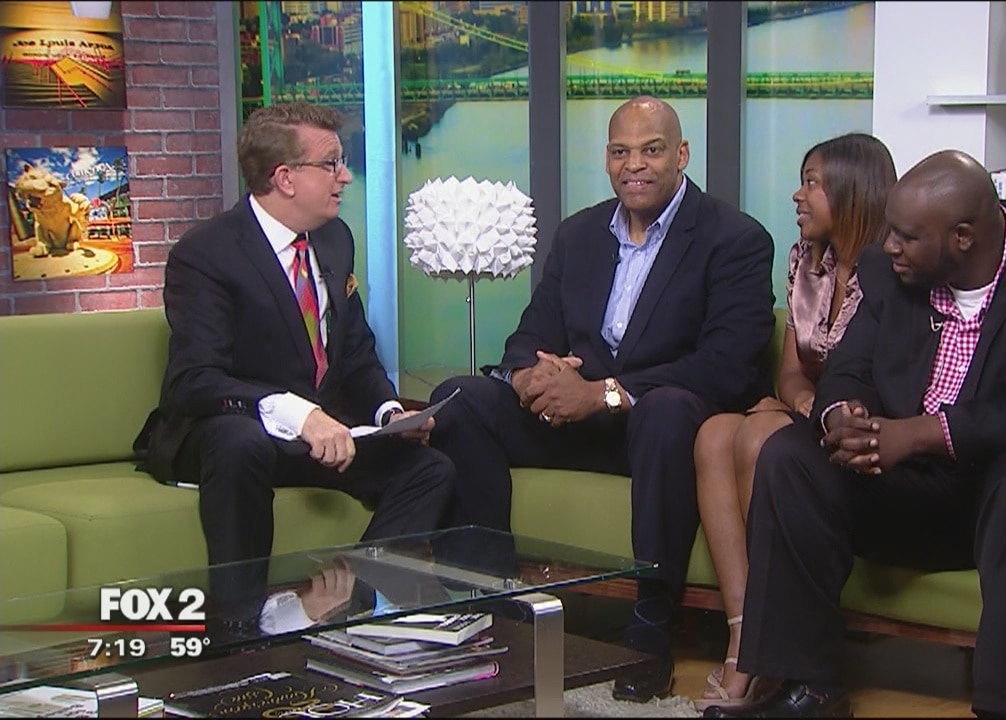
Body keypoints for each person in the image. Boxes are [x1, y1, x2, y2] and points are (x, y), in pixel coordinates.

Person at [706, 150, 1006, 719]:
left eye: (906, 237)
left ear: (963, 238)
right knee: (791, 456)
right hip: (917, 488)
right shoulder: (889, 271)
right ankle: (808, 689)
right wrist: (843, 415)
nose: (888, 246)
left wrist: (926, 434)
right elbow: (848, 367)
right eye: (889, 231)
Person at [427, 95, 776, 702]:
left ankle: (649, 630)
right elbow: (530, 334)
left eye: (651, 150)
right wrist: (528, 377)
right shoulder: (579, 234)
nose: (633, 165)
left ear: (681, 155)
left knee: (667, 411)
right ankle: (491, 609)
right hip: (572, 424)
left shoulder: (734, 239)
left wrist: (605, 394)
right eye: (620, 151)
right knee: (458, 397)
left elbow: (727, 364)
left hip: (659, 431)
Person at [134, 101, 455, 638]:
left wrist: (389, 411)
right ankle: (239, 633)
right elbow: (194, 380)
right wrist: (299, 415)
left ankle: (350, 602)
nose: (345, 176)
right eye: (331, 164)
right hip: (236, 430)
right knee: (239, 442)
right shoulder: (207, 252)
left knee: (430, 469)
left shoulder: (335, 239)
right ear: (284, 178)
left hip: (316, 436)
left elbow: (355, 350)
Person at [691, 133, 897, 711]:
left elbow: (890, 384)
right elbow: (790, 372)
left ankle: (778, 653)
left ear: (853, 192)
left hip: (860, 427)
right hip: (811, 411)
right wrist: (804, 405)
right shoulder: (806, 261)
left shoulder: (893, 273)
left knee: (760, 434)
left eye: (812, 183)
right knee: (714, 434)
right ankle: (743, 638)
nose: (797, 195)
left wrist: (817, 412)